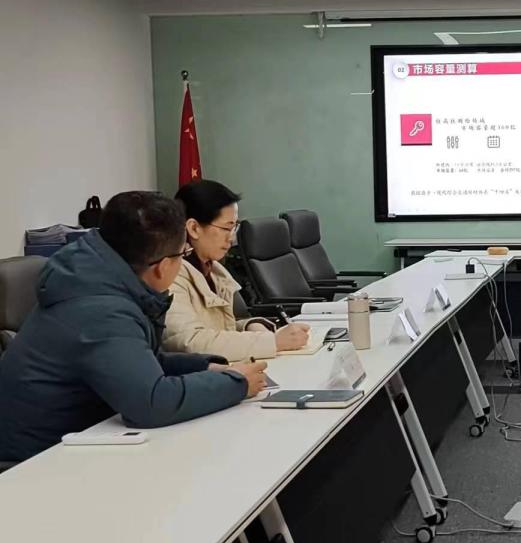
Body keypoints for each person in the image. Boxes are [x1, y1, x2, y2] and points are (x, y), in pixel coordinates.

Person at [0, 191, 267, 463]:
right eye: (183, 254)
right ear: (163, 266)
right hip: (34, 465)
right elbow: (153, 402)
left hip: (78, 442)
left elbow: (138, 362)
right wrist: (237, 384)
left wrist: (205, 367)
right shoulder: (101, 310)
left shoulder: (97, 279)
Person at [164, 180, 310, 361]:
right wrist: (272, 342)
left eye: (234, 227)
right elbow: (189, 342)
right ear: (194, 228)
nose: (231, 238)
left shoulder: (211, 269)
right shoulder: (170, 275)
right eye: (226, 228)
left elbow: (219, 329)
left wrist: (249, 326)